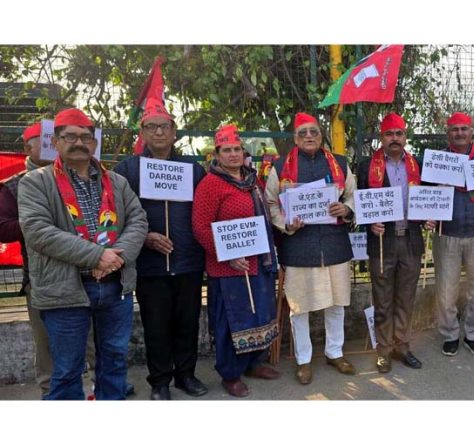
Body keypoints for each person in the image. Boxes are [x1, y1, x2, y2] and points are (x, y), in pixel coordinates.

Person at [17, 108, 148, 400]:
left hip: (115, 288)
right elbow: (38, 232)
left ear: (94, 142)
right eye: (71, 136)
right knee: (66, 370)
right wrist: (96, 256)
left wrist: (117, 257)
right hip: (65, 291)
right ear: (57, 141)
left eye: (86, 137)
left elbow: (138, 221)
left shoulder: (116, 182)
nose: (79, 143)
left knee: (114, 363)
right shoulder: (35, 182)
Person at [114, 101, 207, 400]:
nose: (158, 132)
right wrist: (144, 237)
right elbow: (114, 215)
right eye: (151, 127)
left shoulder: (193, 169)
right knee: (155, 325)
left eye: (164, 126)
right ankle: (160, 382)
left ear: (174, 132)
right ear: (141, 132)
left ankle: (186, 376)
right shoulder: (126, 170)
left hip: (188, 260)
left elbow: (206, 212)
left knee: (188, 322)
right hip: (150, 264)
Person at [264, 112, 356, 385]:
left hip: (335, 244)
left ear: (321, 135)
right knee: (299, 307)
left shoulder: (339, 163)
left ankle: (334, 352)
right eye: (303, 133)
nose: (309, 137)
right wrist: (286, 224)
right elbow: (270, 203)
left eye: (313, 132)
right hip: (298, 246)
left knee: (337, 302)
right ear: (295, 138)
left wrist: (347, 209)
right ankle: (304, 360)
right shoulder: (281, 167)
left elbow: (352, 194)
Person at [192, 125, 280, 397]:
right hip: (229, 268)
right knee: (231, 321)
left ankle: (255, 363)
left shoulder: (253, 181)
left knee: (259, 314)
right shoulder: (210, 184)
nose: (232, 154)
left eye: (236, 149)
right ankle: (230, 373)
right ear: (216, 154)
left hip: (258, 263)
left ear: (244, 152)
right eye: (226, 150)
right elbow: (200, 227)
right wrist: (228, 256)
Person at [357, 112, 429, 373]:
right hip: (382, 243)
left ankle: (403, 346)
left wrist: (428, 218)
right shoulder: (366, 167)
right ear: (381, 137)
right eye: (389, 134)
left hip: (410, 241)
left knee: (406, 298)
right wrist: (369, 223)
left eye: (399, 134)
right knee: (383, 299)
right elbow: (359, 203)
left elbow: (427, 198)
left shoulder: (418, 164)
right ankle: (384, 350)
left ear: (405, 136)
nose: (395, 139)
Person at [433, 112, 474, 357]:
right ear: (447, 133)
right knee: (446, 289)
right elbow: (423, 195)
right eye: (454, 129)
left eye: (464, 128)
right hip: (446, 233)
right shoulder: (438, 162)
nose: (459, 133)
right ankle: (449, 333)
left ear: (472, 132)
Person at [0, 122, 52, 396]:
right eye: (44, 139)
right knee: (45, 343)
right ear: (27, 147)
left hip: (86, 273)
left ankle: (95, 386)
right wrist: (37, 223)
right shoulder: (14, 186)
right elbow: (3, 228)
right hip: (40, 277)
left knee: (91, 339)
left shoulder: (81, 179)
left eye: (57, 138)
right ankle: (49, 391)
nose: (52, 144)